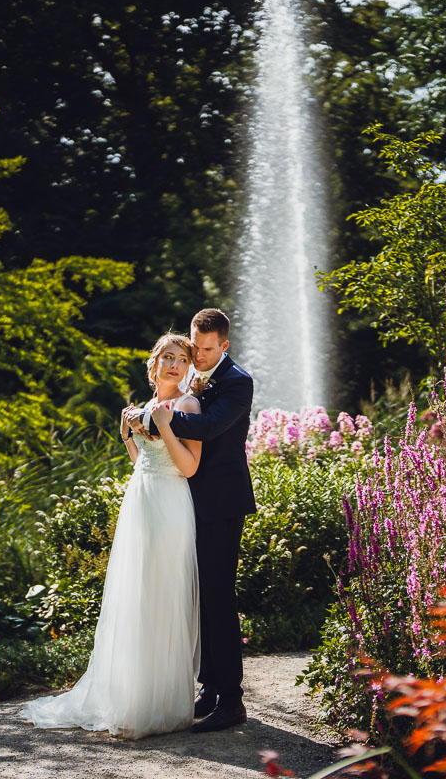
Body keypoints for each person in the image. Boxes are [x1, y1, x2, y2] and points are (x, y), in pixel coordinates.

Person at [19, 333, 202, 739]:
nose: (175, 364)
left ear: (189, 368)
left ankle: (165, 704)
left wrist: (165, 428)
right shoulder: (146, 407)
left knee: (164, 594)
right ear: (154, 365)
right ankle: (135, 697)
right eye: (167, 357)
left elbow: (188, 467)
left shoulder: (187, 406)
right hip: (141, 500)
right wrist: (127, 434)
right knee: (136, 595)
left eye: (182, 359)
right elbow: (143, 462)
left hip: (172, 502)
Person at [124, 308, 256, 734]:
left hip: (221, 503)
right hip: (184, 501)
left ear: (224, 346)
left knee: (218, 597)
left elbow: (211, 426)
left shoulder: (238, 381)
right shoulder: (196, 377)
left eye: (205, 349)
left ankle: (232, 701)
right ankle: (210, 687)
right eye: (194, 348)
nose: (197, 357)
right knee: (197, 595)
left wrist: (153, 419)